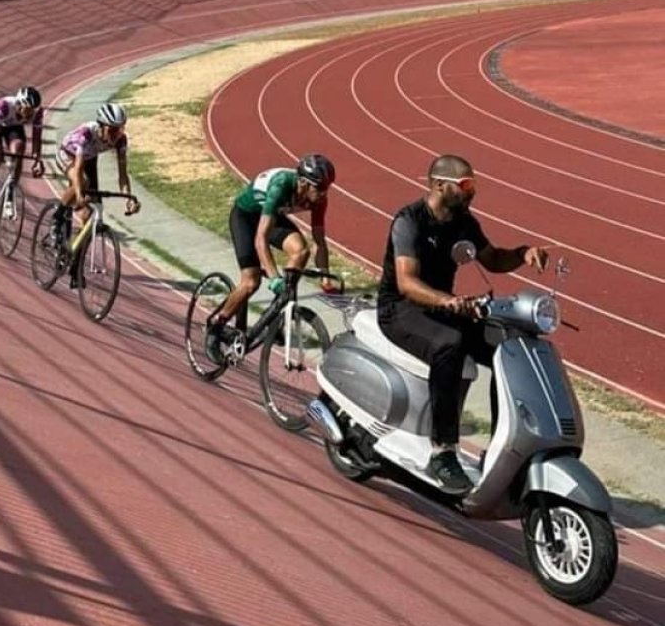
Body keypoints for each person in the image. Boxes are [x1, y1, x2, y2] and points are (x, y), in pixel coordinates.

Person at [376, 154, 549, 494]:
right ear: (440, 185)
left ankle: (507, 448)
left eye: (474, 185)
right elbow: (407, 282)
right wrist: (447, 301)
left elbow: (494, 259)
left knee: (508, 347)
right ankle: (442, 452)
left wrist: (523, 253)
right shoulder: (410, 221)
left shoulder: (464, 221)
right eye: (466, 185)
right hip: (401, 309)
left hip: (443, 306)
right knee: (449, 345)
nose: (473, 192)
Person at [204, 153, 338, 363]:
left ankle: (275, 312)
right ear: (303, 183)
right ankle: (216, 327)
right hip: (246, 218)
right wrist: (274, 277)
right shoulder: (281, 185)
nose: (323, 194)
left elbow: (318, 241)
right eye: (319, 188)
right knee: (251, 282)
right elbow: (260, 238)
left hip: (272, 216)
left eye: (327, 188)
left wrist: (324, 276)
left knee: (301, 251)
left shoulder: (319, 199)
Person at [51, 101, 141, 285]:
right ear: (101, 126)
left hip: (90, 160)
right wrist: (79, 194)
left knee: (90, 218)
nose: (117, 134)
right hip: (69, 155)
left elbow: (123, 174)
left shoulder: (121, 140)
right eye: (112, 130)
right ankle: (58, 216)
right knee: (82, 184)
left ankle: (75, 266)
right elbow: (77, 170)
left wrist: (128, 197)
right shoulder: (86, 134)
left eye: (120, 129)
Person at [0, 86, 45, 219]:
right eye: (27, 111)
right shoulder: (4, 106)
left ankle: (9, 198)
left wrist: (37, 159)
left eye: (32, 112)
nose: (29, 115)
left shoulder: (37, 113)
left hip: (13, 127)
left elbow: (37, 137)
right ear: (19, 104)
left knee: (19, 150)